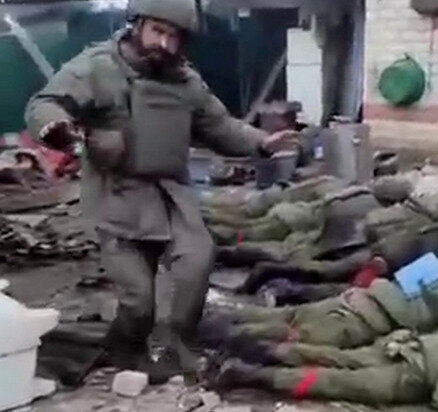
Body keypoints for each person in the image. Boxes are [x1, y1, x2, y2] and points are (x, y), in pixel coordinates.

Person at [25, 0, 297, 383]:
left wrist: (263, 142)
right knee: (139, 300)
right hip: (116, 195)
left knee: (196, 262)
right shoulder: (99, 67)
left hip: (171, 193)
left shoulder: (185, 81)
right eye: (158, 31)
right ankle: (125, 349)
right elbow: (45, 104)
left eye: (175, 36)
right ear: (136, 25)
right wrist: (59, 130)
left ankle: (176, 346)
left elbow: (220, 126)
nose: (165, 44)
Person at [216, 309, 438, 407]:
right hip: (422, 374)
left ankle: (268, 350)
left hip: (418, 343)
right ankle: (251, 374)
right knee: (340, 383)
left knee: (340, 358)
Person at [205, 253, 438, 350]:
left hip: (361, 296)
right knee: (284, 337)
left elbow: (405, 279)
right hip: (364, 322)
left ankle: (204, 316)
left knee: (283, 316)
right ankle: (204, 334)